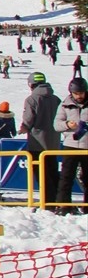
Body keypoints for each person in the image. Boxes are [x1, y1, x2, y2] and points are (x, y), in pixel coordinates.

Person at [19, 71, 60, 207]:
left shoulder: (32, 99)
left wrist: (24, 127)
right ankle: (57, 199)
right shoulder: (55, 99)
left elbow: (29, 119)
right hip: (54, 142)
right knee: (53, 172)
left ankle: (47, 202)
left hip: (37, 142)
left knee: (41, 174)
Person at [53, 77, 87, 214]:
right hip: (71, 145)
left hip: (86, 146)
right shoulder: (64, 105)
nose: (79, 96)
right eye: (76, 93)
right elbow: (56, 125)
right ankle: (63, 205)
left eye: (82, 93)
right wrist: (67, 125)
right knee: (66, 176)